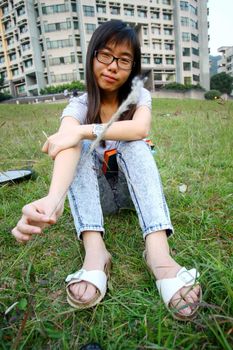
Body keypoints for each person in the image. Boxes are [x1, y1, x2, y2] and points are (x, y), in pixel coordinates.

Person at [12, 20, 201, 320]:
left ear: (132, 68)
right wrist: (53, 199)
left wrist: (84, 131)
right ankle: (95, 251)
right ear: (92, 57)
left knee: (136, 143)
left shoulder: (138, 98)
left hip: (131, 193)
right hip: (96, 199)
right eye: (105, 55)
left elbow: (140, 128)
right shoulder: (79, 104)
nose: (113, 66)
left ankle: (158, 255)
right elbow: (66, 142)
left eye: (124, 60)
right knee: (77, 145)